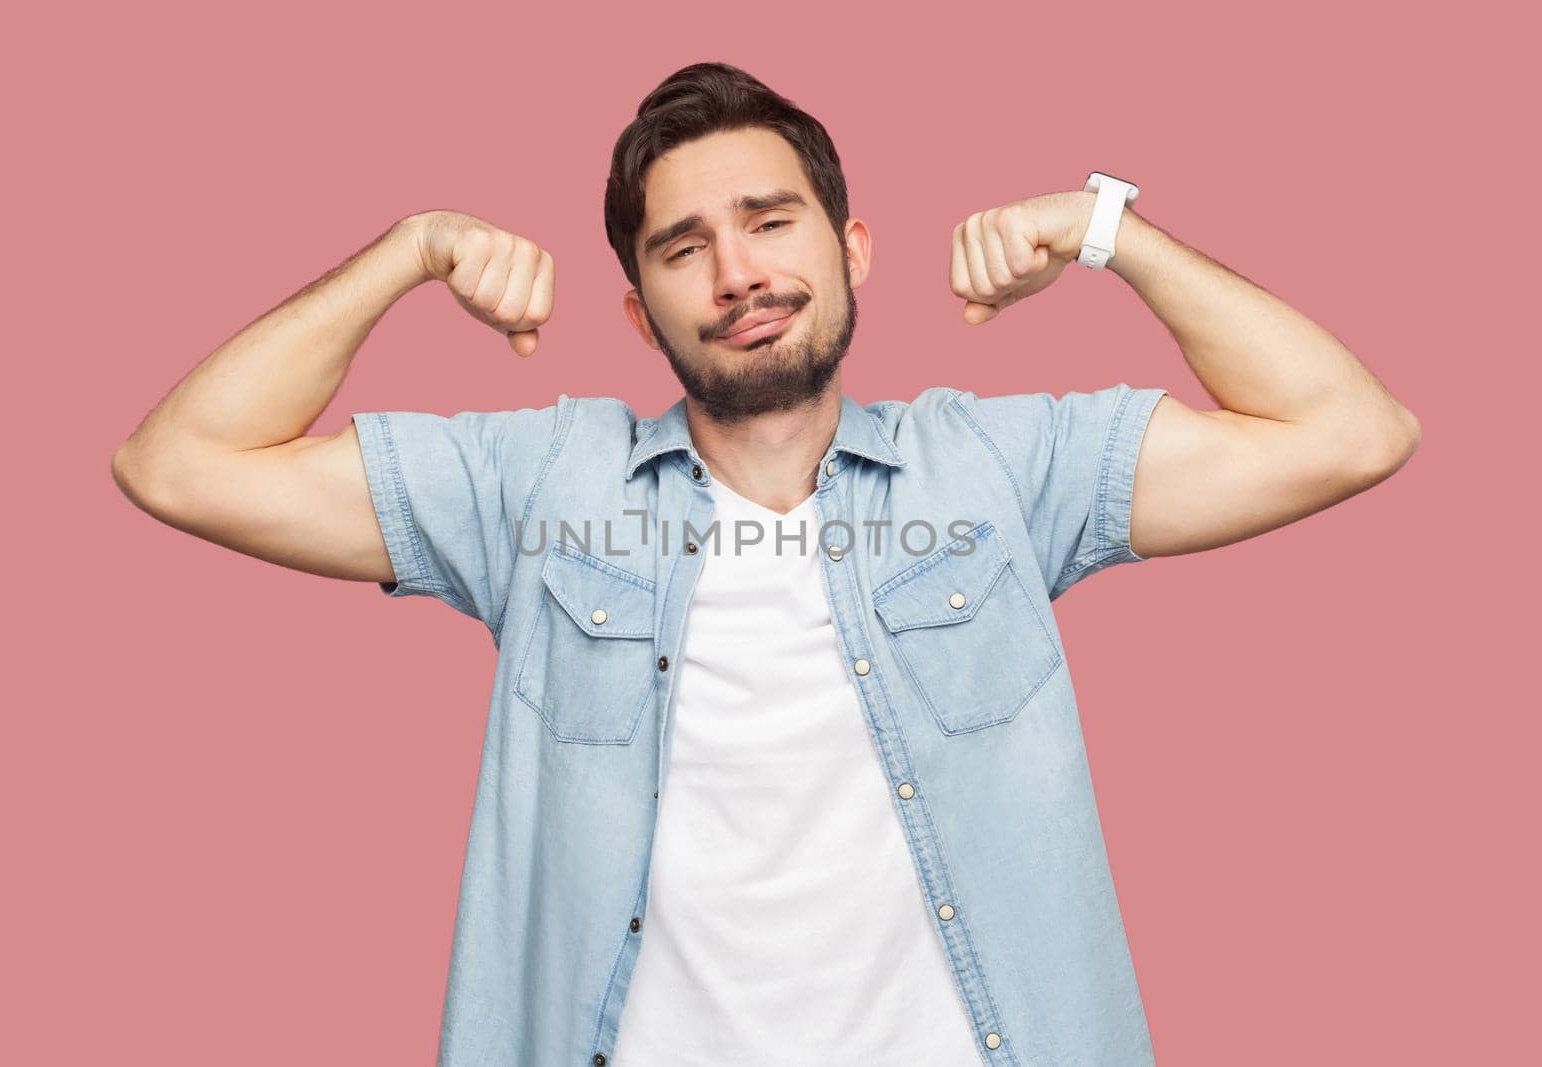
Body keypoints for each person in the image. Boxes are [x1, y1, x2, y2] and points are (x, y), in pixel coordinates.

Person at [112, 61, 1419, 1067]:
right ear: (639, 307)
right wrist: (407, 254)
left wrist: (1105, 229)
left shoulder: (998, 471)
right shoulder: (536, 488)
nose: (737, 273)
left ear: (849, 253)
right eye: (684, 248)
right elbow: (178, 465)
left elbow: (1353, 433)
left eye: (771, 223)